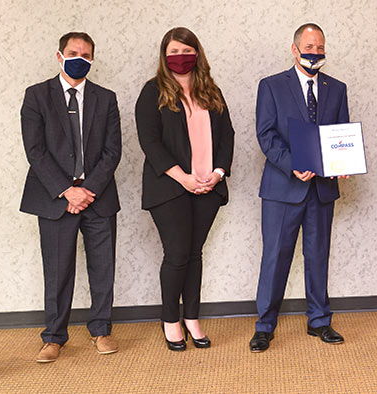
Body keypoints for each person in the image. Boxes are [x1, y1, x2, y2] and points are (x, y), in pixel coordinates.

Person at [20, 32, 122, 363]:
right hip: (55, 198)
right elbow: (34, 150)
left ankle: (101, 330)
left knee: (103, 267)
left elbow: (112, 151)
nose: (80, 57)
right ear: (59, 56)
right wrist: (67, 191)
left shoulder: (106, 98)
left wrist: (87, 190)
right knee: (58, 270)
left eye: (87, 54)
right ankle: (53, 337)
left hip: (99, 196)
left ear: (93, 59)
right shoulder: (36, 96)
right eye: (73, 52)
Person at [250, 23, 349, 353]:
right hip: (282, 187)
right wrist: (292, 163)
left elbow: (340, 135)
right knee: (275, 257)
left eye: (320, 47)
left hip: (321, 190)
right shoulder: (272, 86)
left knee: (318, 256)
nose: (315, 53)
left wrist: (343, 165)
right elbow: (266, 135)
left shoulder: (337, 88)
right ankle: (265, 325)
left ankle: (319, 321)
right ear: (294, 49)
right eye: (309, 47)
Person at [136, 27, 234, 351]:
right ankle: (170, 320)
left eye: (186, 51)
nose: (180, 57)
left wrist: (218, 173)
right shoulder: (153, 92)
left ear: (197, 53)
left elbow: (227, 135)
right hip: (170, 188)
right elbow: (149, 142)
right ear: (165, 57)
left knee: (194, 254)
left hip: (208, 186)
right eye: (174, 52)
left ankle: (192, 317)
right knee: (177, 254)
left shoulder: (211, 91)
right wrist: (184, 177)